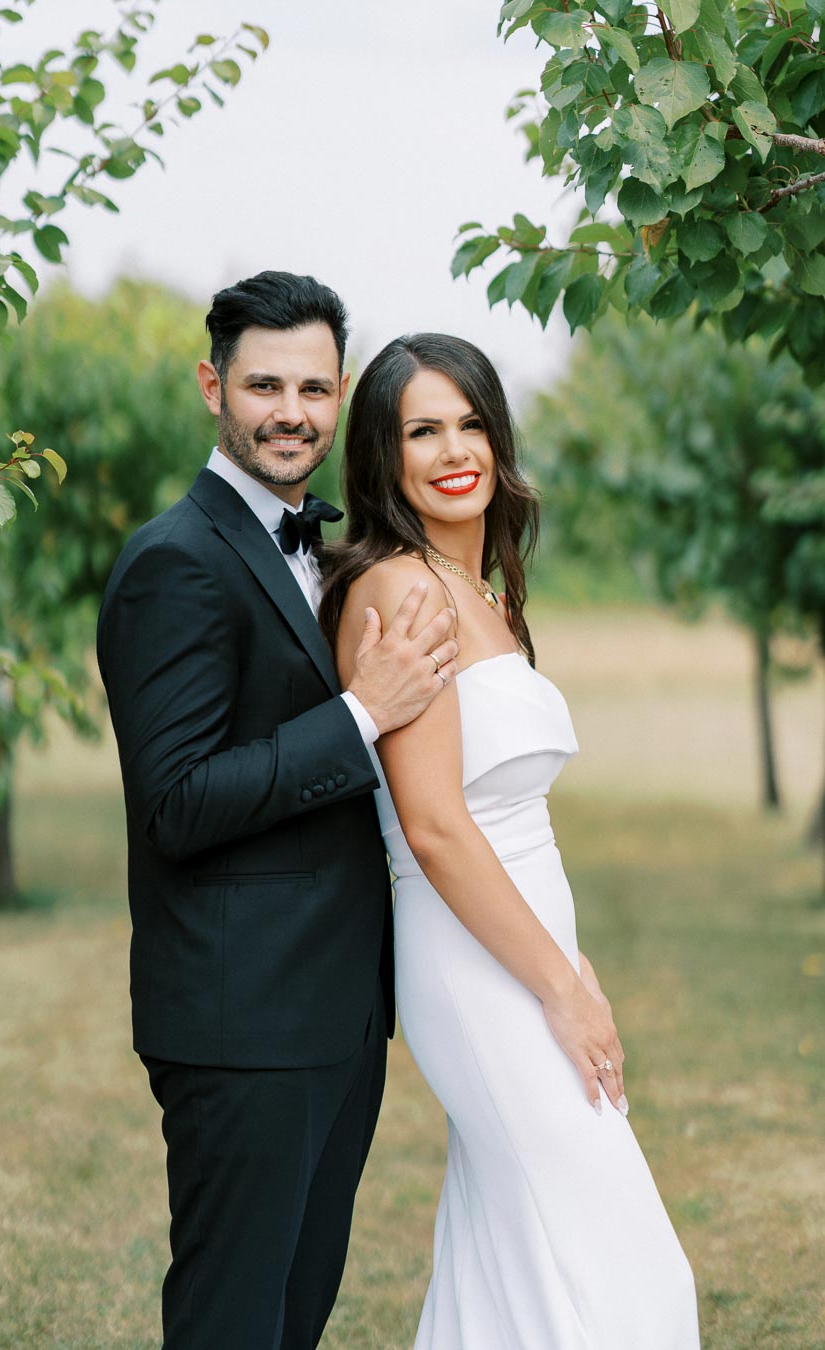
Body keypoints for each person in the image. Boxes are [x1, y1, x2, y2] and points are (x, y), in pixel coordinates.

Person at [96, 273, 459, 1350]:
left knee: (292, 1320)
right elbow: (176, 801)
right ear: (214, 386)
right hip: (240, 1022)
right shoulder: (174, 562)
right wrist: (357, 719)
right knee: (231, 1323)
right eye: (263, 385)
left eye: (312, 387)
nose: (290, 412)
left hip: (336, 1016)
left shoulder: (324, 553)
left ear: (340, 393)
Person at [319, 332, 701, 1349]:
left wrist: (570, 962)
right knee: (631, 1277)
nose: (455, 450)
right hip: (476, 965)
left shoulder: (483, 589)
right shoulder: (402, 590)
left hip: (525, 948)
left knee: (508, 1263)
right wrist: (560, 991)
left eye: (472, 422)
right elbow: (438, 826)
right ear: (383, 458)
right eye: (422, 429)